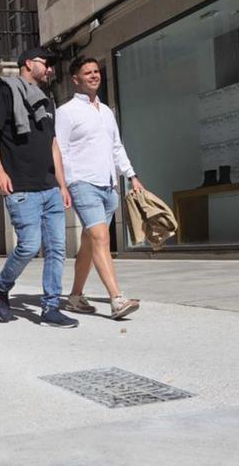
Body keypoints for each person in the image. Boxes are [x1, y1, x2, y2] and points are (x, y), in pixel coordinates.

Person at [0, 47, 78, 328]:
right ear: (28, 64)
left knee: (57, 249)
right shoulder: (7, 92)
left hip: (50, 187)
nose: (50, 69)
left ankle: (50, 308)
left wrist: (62, 184)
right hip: (21, 187)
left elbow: (53, 145)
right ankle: (0, 285)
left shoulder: (47, 102)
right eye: (46, 64)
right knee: (28, 246)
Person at [56, 56, 144, 320]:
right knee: (101, 238)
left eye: (96, 71)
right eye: (87, 72)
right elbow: (60, 151)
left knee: (88, 243)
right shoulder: (66, 112)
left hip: (108, 185)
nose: (94, 75)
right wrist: (65, 184)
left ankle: (74, 297)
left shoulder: (106, 111)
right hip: (83, 184)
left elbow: (116, 147)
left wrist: (132, 175)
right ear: (76, 80)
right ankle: (117, 299)